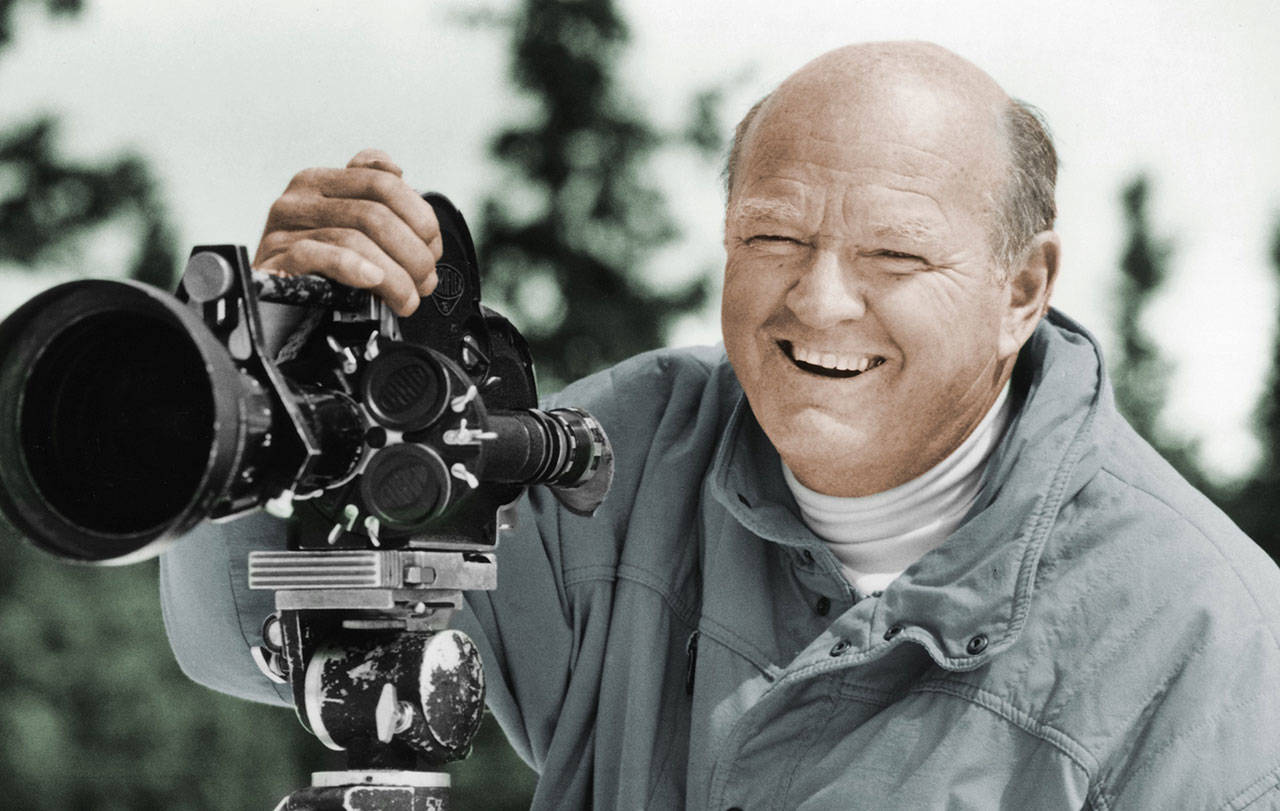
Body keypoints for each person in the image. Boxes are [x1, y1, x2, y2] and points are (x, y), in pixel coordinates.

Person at [160, 41, 1280, 809]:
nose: (819, 301)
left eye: (893, 253)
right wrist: (282, 369)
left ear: (1021, 288)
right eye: (772, 239)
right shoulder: (640, 448)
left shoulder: (1203, 641)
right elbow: (238, 635)